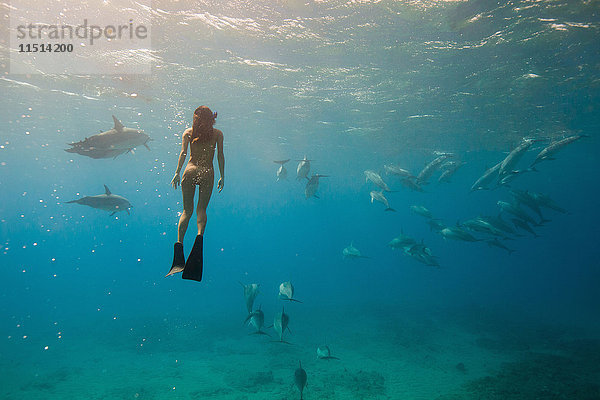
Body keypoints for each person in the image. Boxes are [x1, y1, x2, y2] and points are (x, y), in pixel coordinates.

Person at [166, 106, 224, 281]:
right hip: (207, 172)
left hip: (189, 171)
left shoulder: (188, 133)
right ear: (211, 118)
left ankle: (179, 248)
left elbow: (183, 153)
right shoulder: (217, 134)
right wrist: (222, 176)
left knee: (186, 211)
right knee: (201, 211)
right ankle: (199, 238)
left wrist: (177, 172)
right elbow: (220, 155)